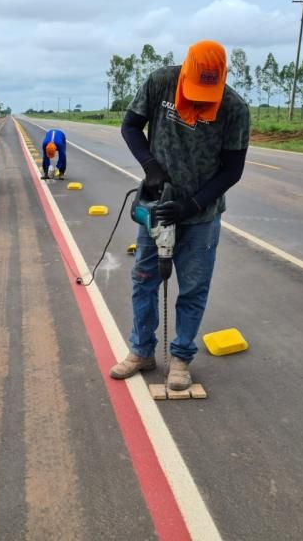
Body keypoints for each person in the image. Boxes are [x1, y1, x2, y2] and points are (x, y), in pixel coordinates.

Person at [110, 39, 250, 390]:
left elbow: (232, 170)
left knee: (193, 288)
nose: (201, 97)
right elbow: (130, 127)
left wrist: (192, 204)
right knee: (144, 280)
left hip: (202, 216)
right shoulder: (161, 83)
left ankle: (181, 359)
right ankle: (141, 351)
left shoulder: (233, 108)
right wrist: (151, 167)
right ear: (185, 71)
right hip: (157, 206)